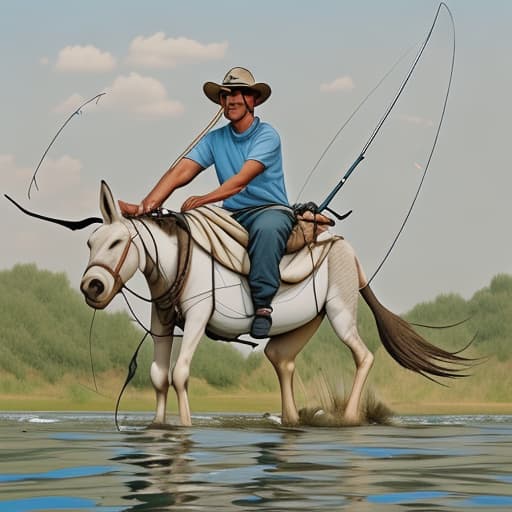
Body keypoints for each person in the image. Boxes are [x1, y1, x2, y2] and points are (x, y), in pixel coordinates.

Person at [119, 67, 295, 338]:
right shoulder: (215, 139)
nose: (231, 100)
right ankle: (194, 302)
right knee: (192, 230)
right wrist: (146, 206)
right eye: (226, 94)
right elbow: (181, 171)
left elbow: (240, 181)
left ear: (253, 100)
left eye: (239, 93)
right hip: (233, 213)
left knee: (266, 230)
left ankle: (262, 307)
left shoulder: (267, 136)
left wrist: (204, 199)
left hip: (269, 210)